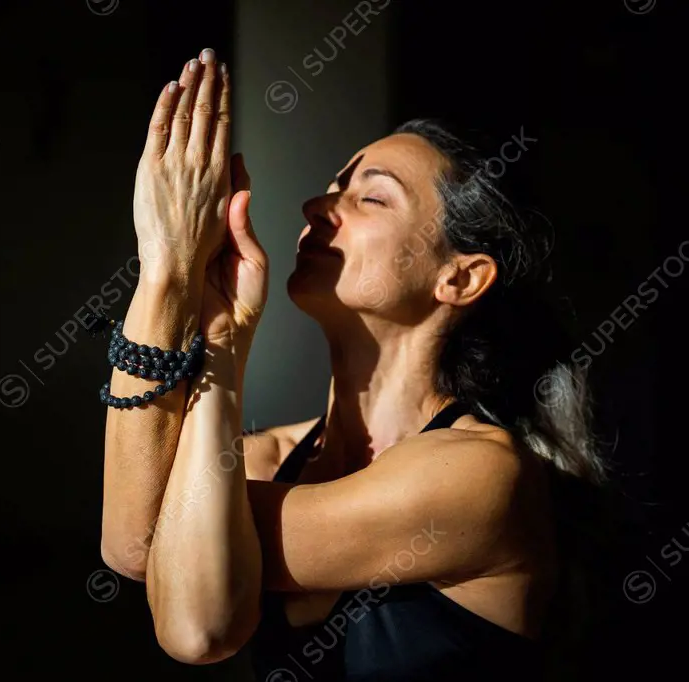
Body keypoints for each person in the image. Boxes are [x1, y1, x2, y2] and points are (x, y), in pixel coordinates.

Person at [100, 48, 610, 681]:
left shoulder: (478, 475)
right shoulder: (261, 458)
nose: (320, 203)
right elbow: (131, 546)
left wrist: (176, 267)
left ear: (460, 277)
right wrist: (176, 287)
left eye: (372, 198)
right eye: (336, 184)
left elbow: (199, 627)